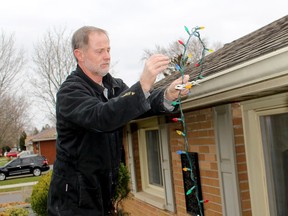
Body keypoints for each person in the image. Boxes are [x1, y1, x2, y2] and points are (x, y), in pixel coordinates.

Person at [47, 26, 190, 216]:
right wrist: (143, 83)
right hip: (73, 204)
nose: (107, 56)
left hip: (103, 197)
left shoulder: (113, 86)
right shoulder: (70, 93)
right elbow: (103, 117)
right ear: (79, 54)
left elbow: (137, 105)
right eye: (99, 51)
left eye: (108, 50)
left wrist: (167, 95)